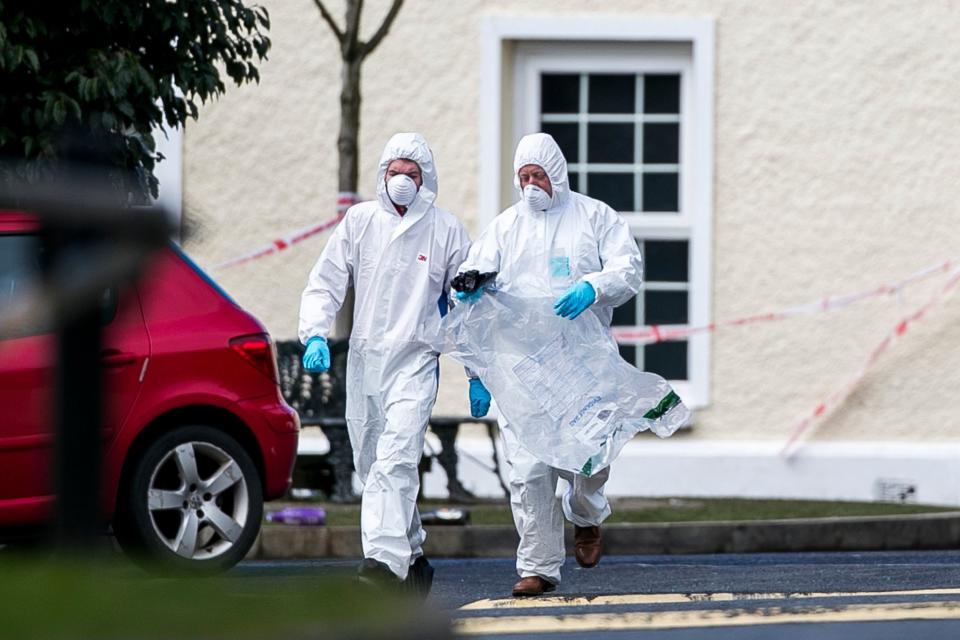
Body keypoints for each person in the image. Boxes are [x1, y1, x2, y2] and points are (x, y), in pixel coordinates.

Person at [456, 132, 643, 597]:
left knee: (590, 459)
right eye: (523, 177)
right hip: (522, 369)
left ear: (556, 173)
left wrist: (594, 287)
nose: (531, 185)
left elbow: (629, 270)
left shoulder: (596, 217)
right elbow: (471, 303)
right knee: (529, 470)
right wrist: (477, 373)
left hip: (582, 363)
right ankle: (537, 566)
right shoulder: (503, 229)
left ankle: (585, 515)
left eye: (538, 175)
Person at [298, 132, 471, 592]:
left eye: (411, 174)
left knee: (396, 459)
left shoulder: (445, 230)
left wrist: (476, 371)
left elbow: (468, 306)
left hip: (416, 361)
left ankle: (381, 565)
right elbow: (327, 280)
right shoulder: (359, 222)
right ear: (382, 174)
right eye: (394, 172)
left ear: (425, 180)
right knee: (373, 463)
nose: (401, 181)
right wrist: (315, 331)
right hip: (366, 362)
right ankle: (414, 558)